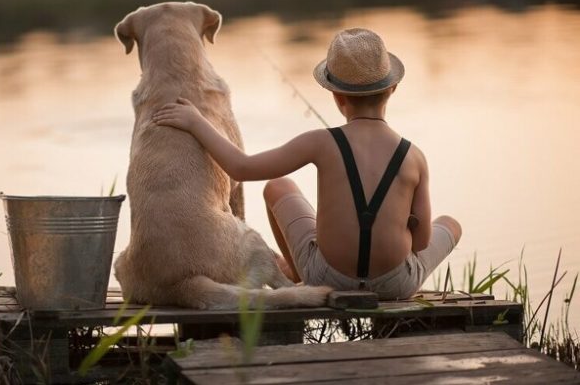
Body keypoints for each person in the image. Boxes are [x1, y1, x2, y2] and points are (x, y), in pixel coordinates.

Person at [152, 28, 461, 299]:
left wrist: (196, 122)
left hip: (326, 278)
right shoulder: (413, 156)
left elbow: (242, 168)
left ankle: (296, 276)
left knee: (278, 186)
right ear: (392, 89)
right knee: (450, 225)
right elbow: (420, 243)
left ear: (336, 96)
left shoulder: (319, 142)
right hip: (396, 284)